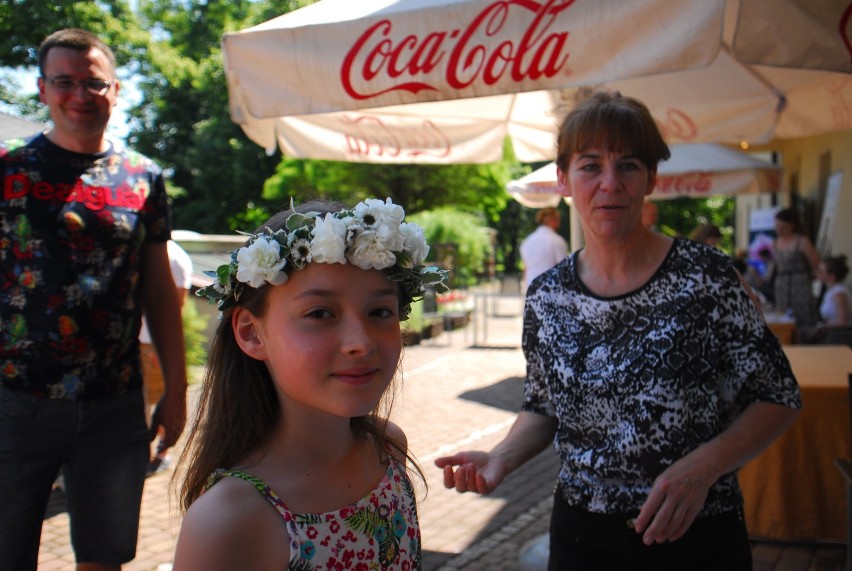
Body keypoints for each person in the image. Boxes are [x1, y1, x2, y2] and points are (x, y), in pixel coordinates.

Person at [435, 91, 801, 571]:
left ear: (650, 177)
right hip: (583, 537)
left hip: (695, 532)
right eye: (590, 166)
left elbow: (778, 396)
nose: (611, 183)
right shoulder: (547, 296)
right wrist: (502, 457)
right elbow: (543, 406)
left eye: (628, 166)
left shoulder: (705, 276)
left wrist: (703, 467)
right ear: (563, 179)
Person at [172, 198, 447, 570]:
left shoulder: (388, 450)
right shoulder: (230, 519)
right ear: (252, 333)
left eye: (381, 312)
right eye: (320, 314)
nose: (361, 342)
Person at [0, 29, 187, 571]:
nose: (80, 93)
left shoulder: (144, 178)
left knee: (105, 556)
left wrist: (175, 390)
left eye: (93, 82)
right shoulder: (8, 170)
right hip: (15, 398)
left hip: (114, 401)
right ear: (41, 89)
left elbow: (158, 290)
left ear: (115, 90)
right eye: (65, 81)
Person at [139, 239, 193, 475]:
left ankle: (162, 453)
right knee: (143, 402)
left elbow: (176, 304)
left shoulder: (177, 258)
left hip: (153, 342)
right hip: (139, 340)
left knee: (161, 398)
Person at [772, 207, 821, 328]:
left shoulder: (802, 241)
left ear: (792, 225)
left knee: (803, 316)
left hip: (800, 283)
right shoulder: (776, 242)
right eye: (777, 227)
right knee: (784, 317)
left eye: (784, 227)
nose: (780, 230)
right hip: (782, 284)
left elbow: (817, 264)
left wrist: (809, 279)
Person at [519, 207, 569, 289]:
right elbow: (563, 270)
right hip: (552, 289)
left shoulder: (527, 242)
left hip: (531, 287)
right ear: (553, 220)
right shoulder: (557, 241)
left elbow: (525, 269)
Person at [817, 255, 850, 328]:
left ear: (832, 276)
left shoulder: (839, 293)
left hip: (836, 334)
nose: (818, 273)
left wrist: (822, 325)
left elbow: (843, 322)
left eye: (821, 271)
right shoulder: (830, 291)